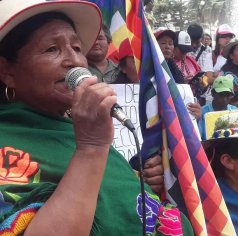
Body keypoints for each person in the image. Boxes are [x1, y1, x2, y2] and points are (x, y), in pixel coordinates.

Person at [0, 0, 193, 235]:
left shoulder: (75, 129)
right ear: (6, 71)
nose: (75, 62)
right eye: (52, 49)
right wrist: (91, 149)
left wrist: (144, 181)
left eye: (77, 48)